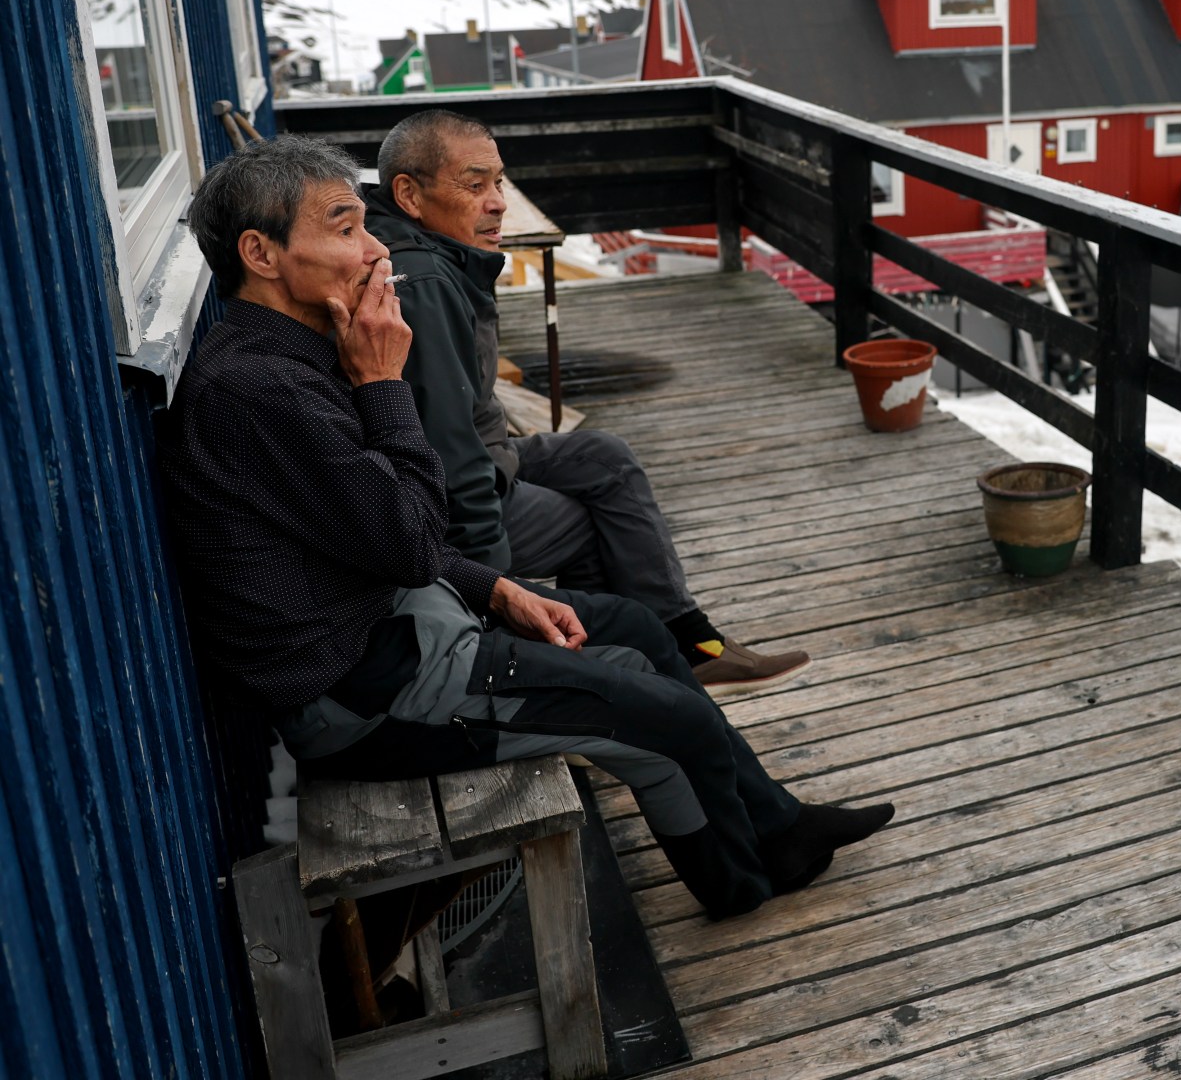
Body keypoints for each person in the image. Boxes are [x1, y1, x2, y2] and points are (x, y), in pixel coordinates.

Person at [161, 136, 889, 918]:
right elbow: (410, 543)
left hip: (401, 627)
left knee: (637, 629)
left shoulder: (291, 356)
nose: (375, 250)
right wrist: (382, 382)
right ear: (261, 254)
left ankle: (777, 830)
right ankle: (740, 887)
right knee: (667, 721)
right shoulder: (260, 393)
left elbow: (381, 538)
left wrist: (497, 588)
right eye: (345, 228)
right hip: (366, 697)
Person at [360, 107, 808, 693]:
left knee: (603, 456)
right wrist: (487, 586)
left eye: (499, 182)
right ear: (409, 195)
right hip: (445, 505)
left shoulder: (419, 249)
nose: (498, 203)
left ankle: (687, 638)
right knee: (588, 521)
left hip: (488, 453)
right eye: (474, 185)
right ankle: (604, 678)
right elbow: (449, 449)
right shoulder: (424, 282)